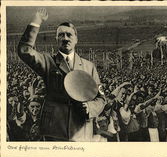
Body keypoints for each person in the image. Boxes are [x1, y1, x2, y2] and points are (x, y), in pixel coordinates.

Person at [17, 8, 105, 141]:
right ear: (56, 39)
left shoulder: (89, 66)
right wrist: (37, 20)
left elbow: (101, 98)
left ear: (76, 39)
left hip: (82, 130)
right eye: (61, 35)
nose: (65, 38)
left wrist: (90, 108)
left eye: (69, 35)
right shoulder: (48, 61)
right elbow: (25, 50)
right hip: (55, 129)